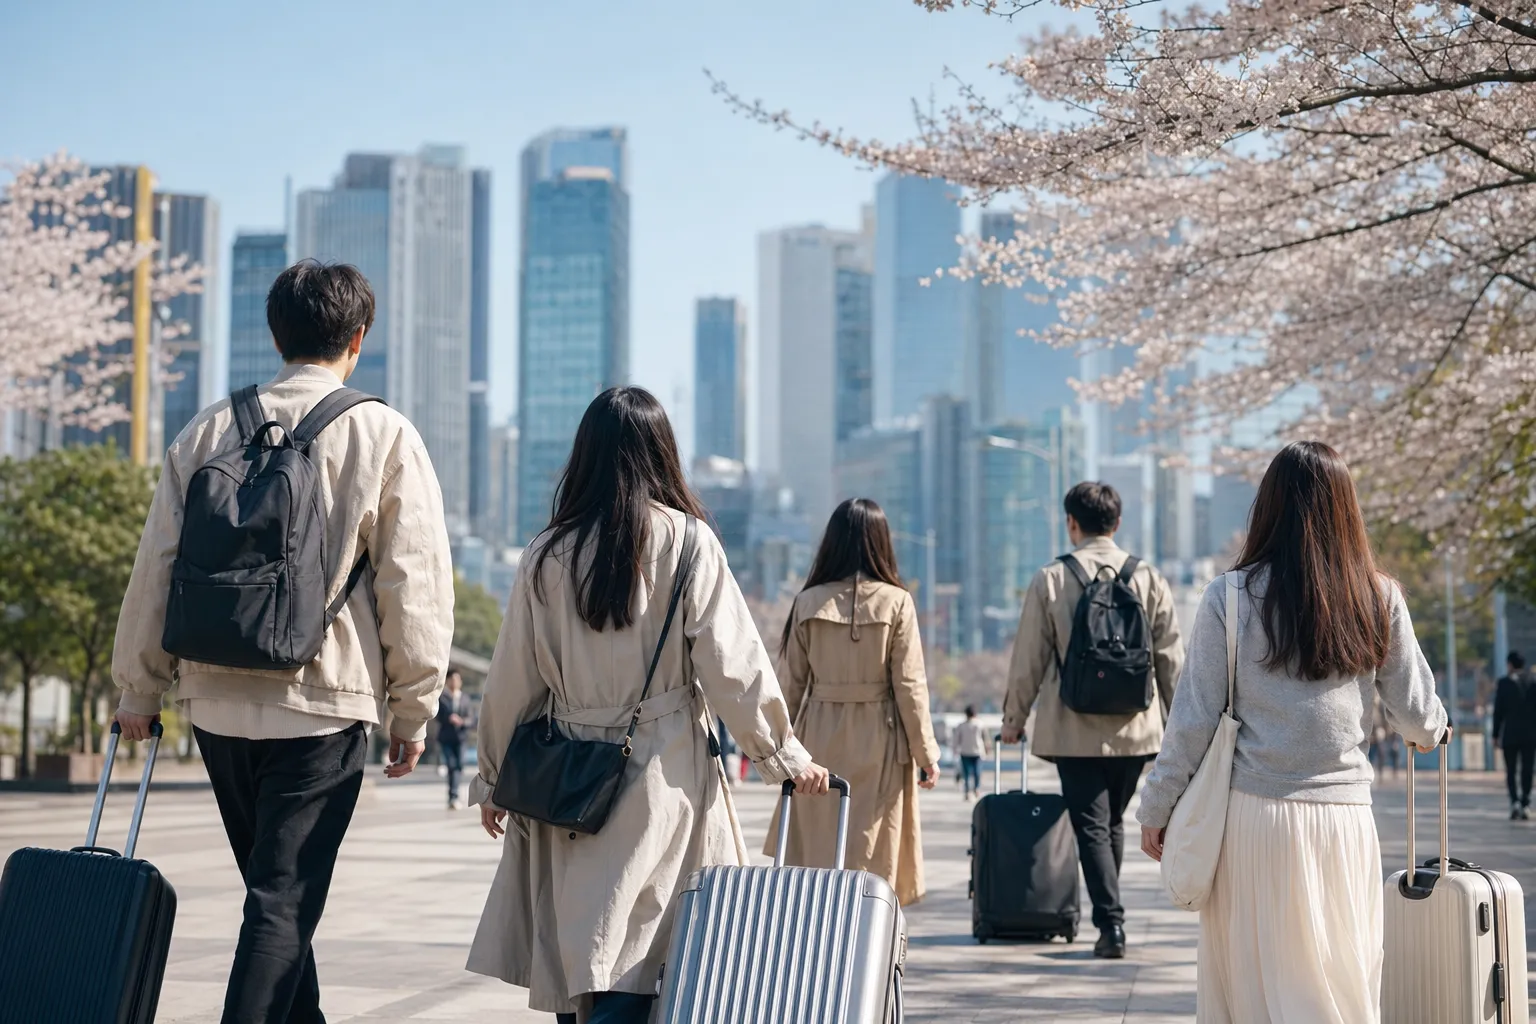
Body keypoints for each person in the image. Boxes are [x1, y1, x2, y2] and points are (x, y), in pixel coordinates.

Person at [111, 260, 455, 1024]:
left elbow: (158, 563)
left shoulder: (209, 426)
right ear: (358, 339)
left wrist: (139, 687)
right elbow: (415, 583)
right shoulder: (381, 431)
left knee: (276, 902)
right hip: (323, 705)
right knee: (281, 905)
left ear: (275, 334)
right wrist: (414, 708)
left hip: (216, 701)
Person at [466, 387, 829, 1024]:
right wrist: (782, 755)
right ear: (662, 453)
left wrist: (494, 777)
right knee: (653, 947)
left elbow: (511, 679)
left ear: (585, 456)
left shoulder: (547, 554)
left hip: (569, 782)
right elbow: (734, 668)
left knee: (586, 945)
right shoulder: (690, 544)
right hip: (664, 772)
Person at [1138, 441, 1447, 1024]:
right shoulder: (1378, 596)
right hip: (1343, 819)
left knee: (1256, 986)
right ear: (1346, 510)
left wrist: (1157, 805)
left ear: (1268, 506)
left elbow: (1193, 718)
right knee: (1341, 980)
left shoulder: (1229, 598)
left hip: (1254, 818)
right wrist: (1436, 727)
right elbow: (1418, 718)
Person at [1001, 480, 1183, 960]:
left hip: (1072, 727)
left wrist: (1013, 721)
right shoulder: (1148, 577)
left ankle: (1111, 924)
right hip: (1137, 728)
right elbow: (1171, 660)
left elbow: (1028, 659)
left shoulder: (1051, 578)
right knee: (1110, 823)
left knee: (1092, 825)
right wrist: (1184, 727)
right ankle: (1110, 915)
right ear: (1117, 523)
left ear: (1071, 523)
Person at [768, 498, 941, 907]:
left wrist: (777, 754)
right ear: (883, 543)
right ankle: (864, 942)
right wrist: (926, 753)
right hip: (880, 739)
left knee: (817, 851)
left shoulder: (808, 602)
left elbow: (788, 686)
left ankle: (818, 939)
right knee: (872, 852)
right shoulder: (897, 602)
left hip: (817, 740)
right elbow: (910, 686)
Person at [1494, 650, 1536, 820]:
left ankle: (1514, 802)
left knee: (1510, 770)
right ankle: (1525, 802)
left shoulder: (1504, 683)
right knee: (1528, 769)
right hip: (1530, 735)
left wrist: (1495, 734)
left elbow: (1498, 712)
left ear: (1510, 664)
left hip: (1510, 734)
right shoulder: (1533, 681)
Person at [437, 670, 472, 810]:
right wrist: (449, 718)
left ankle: (455, 794)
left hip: (461, 738)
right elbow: (437, 716)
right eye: (452, 679)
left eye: (457, 679)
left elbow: (471, 719)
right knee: (451, 765)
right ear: (447, 681)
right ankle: (453, 796)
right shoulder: (442, 698)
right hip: (446, 738)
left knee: (459, 765)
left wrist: (462, 721)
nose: (454, 682)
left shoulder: (465, 698)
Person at [955, 705, 988, 800]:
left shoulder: (961, 726)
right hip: (977, 752)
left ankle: (967, 791)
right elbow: (985, 738)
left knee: (966, 773)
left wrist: (955, 750)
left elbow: (956, 740)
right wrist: (987, 749)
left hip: (965, 751)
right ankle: (976, 789)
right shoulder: (980, 724)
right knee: (977, 772)